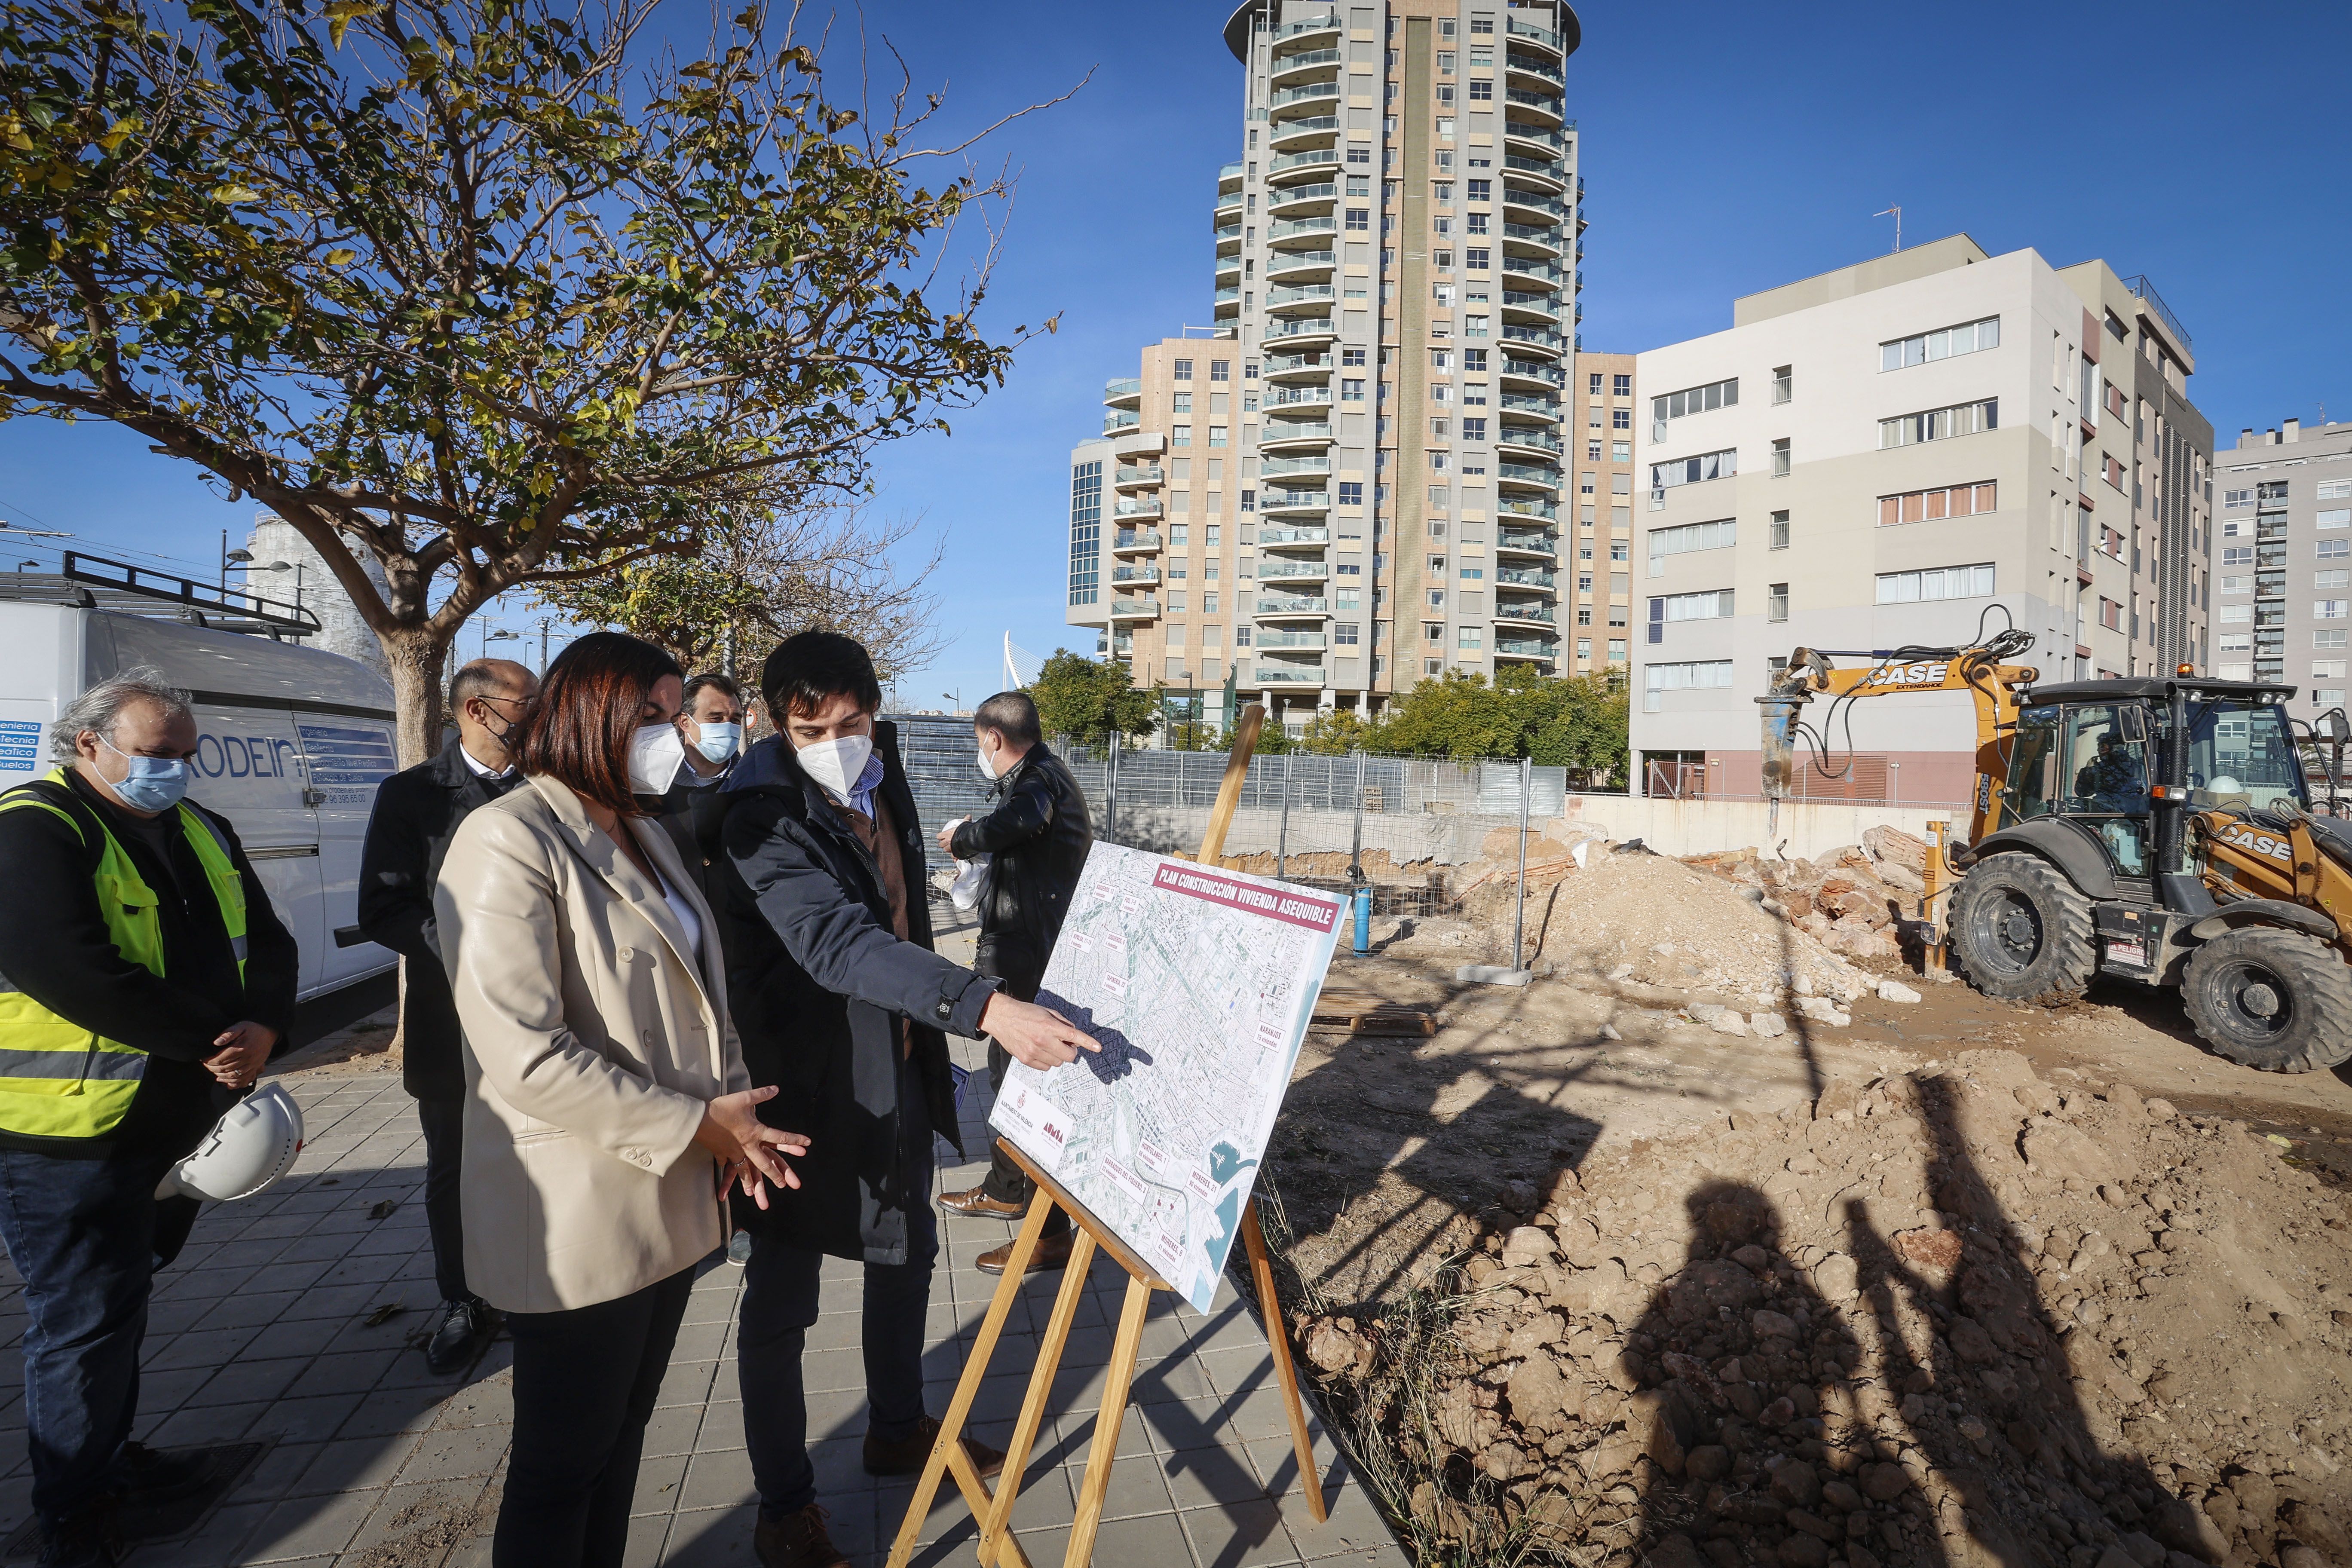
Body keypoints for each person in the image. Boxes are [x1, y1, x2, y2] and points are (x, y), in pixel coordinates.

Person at [718, 631, 1098, 1568]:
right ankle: (783, 1504)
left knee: (907, 1253)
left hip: (894, 1065)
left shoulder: (880, 777)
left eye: (854, 722)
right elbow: (835, 940)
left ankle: (897, 1427)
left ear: (875, 714)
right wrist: (984, 1008)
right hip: (799, 1087)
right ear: (779, 722)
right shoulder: (754, 814)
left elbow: (904, 916)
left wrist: (935, 1035)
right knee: (782, 1300)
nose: (839, 740)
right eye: (814, 727)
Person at [433, 632, 807, 1568]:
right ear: (591, 714)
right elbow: (523, 1053)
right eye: (655, 714)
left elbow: (693, 1003)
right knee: (560, 1467)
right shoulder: (507, 838)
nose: (676, 734)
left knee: (624, 1441)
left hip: (671, 1194)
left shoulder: (642, 831)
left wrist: (730, 1128)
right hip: (579, 1209)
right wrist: (697, 1126)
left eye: (677, 713)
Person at [0, 668, 301, 1567]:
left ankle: (107, 1460)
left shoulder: (199, 827)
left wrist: (265, 1025)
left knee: (120, 1306)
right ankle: (75, 1513)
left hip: (167, 1123)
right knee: (82, 1320)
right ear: (89, 744)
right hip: (65, 1135)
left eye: (185, 754)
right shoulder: (34, 829)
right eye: (156, 755)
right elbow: (71, 968)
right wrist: (213, 1038)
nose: (174, 771)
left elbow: (270, 938)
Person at [357, 656, 539, 1372]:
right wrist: (470, 944)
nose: (537, 716)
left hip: (545, 1016)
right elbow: (382, 907)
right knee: (456, 1167)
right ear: (476, 710)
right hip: (452, 1016)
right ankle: (465, 1298)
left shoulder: (551, 789)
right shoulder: (413, 796)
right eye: (526, 704)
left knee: (541, 1159)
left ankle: (535, 1288)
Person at [931, 689, 1093, 1276]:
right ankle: (1005, 1189)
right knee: (1006, 1077)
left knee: (1019, 1088)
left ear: (993, 739)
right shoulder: (1044, 774)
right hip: (1021, 944)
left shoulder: (1037, 783)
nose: (982, 755)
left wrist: (966, 839)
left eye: (980, 746)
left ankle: (1048, 1237)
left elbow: (1020, 821)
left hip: (1028, 953)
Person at [631, 670, 756, 1265]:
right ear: (686, 724)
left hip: (748, 968)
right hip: (683, 975)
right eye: (714, 717)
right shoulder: (652, 794)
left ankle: (746, 1213)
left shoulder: (759, 787)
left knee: (746, 1088)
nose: (726, 727)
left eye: (734, 717)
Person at [2075, 730, 2148, 813]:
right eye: (2099, 747)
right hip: (2126, 813)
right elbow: (2082, 792)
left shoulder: (2107, 769)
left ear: (2115, 749)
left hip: (2111, 813)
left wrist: (2088, 770)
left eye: (2102, 747)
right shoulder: (2137, 766)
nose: (2098, 750)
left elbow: (2082, 792)